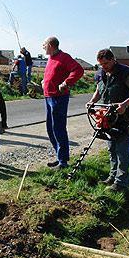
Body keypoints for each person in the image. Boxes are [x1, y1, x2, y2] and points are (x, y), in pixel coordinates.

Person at [86, 49, 129, 191]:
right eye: (100, 64)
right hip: (108, 118)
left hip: (124, 119)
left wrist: (125, 104)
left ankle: (121, 182)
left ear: (113, 60)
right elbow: (99, 91)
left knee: (122, 151)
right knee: (112, 149)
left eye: (105, 63)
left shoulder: (125, 73)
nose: (103, 67)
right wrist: (92, 101)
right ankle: (113, 175)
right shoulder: (101, 75)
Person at [42, 36, 84, 170]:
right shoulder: (50, 58)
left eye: (44, 45)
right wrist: (44, 81)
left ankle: (63, 161)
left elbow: (79, 70)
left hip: (58, 98)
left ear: (51, 46)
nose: (43, 47)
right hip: (48, 97)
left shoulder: (65, 57)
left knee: (58, 128)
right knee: (50, 128)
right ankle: (59, 156)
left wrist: (66, 83)